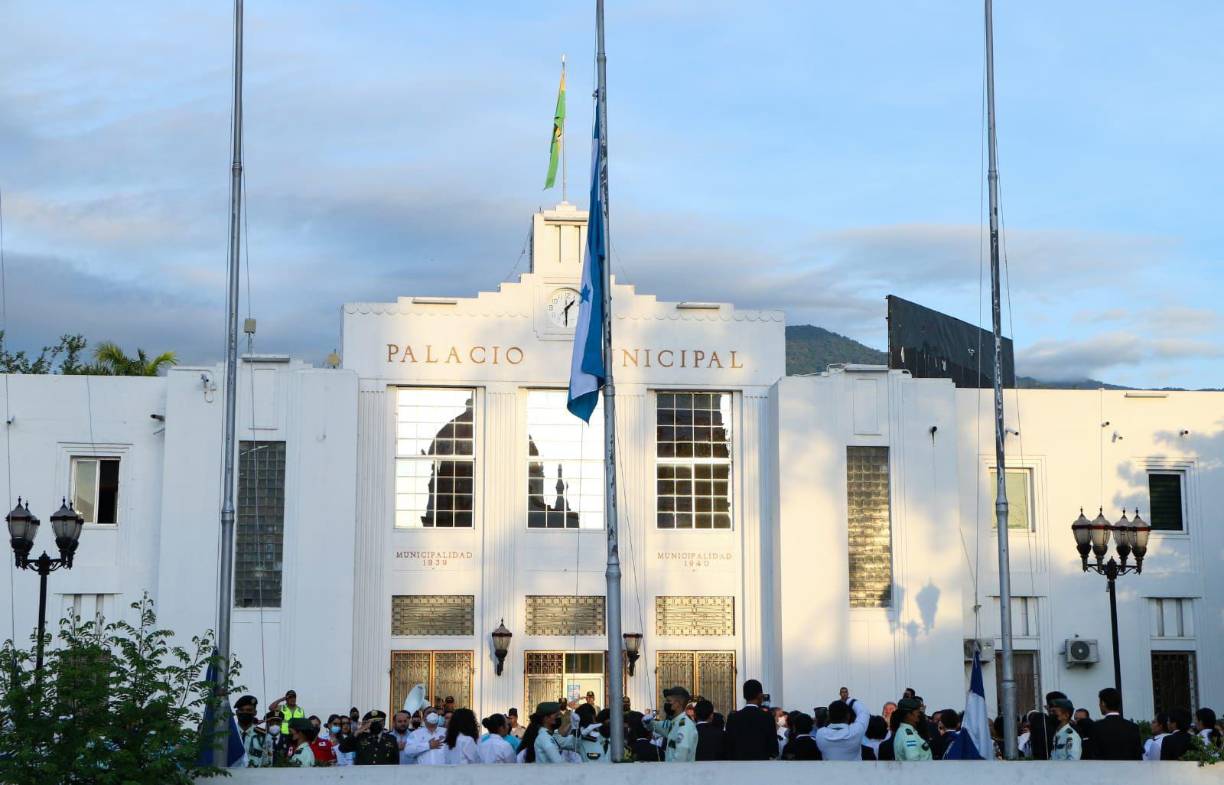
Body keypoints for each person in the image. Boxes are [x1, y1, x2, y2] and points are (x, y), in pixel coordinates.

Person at [723, 679, 777, 760]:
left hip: (738, 764)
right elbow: (773, 748)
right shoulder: (767, 717)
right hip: (761, 764)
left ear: (744, 696)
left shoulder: (733, 717)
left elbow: (729, 745)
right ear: (760, 695)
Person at [1084, 688, 1142, 760]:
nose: (1099, 705)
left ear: (1103, 703)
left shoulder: (1096, 727)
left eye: (1100, 702)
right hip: (1128, 770)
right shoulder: (1133, 727)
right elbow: (1138, 756)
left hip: (1104, 770)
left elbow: (1093, 755)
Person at [815, 694, 869, 760]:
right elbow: (863, 712)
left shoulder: (820, 734)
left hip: (829, 770)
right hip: (854, 770)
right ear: (848, 716)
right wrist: (848, 700)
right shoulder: (856, 731)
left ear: (828, 716)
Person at [658, 686, 698, 762]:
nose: (666, 704)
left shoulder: (685, 725)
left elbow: (681, 755)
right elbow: (661, 727)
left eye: (669, 701)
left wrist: (672, 772)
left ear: (678, 703)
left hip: (678, 772)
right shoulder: (676, 723)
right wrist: (649, 723)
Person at [234, 695, 268, 767]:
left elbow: (267, 764)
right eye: (241, 710)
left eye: (249, 710)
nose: (245, 713)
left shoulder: (264, 736)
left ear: (255, 712)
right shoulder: (229, 735)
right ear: (237, 712)